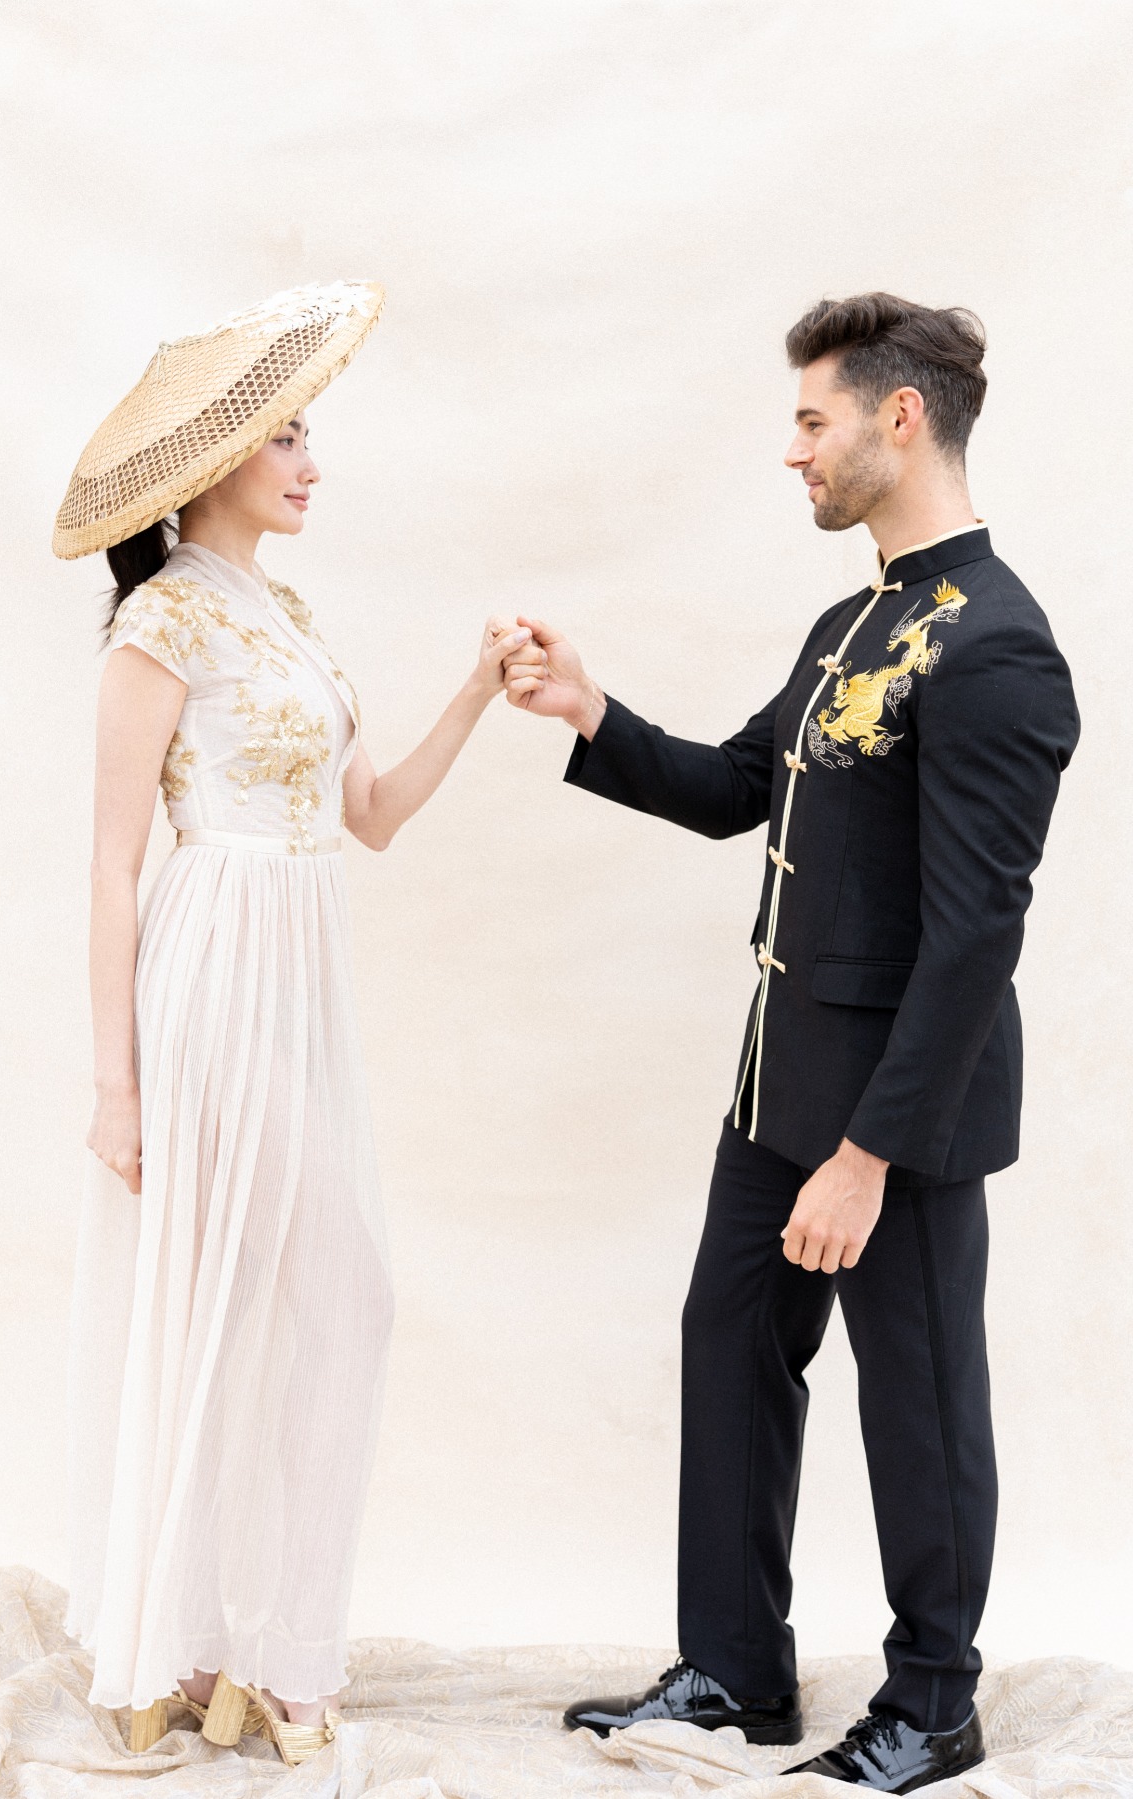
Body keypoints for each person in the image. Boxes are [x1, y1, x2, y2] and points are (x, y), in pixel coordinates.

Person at [501, 293, 1079, 1791]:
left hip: (901, 1116)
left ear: (900, 418)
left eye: (812, 420)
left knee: (921, 1395)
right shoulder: (854, 620)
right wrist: (591, 707)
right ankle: (740, 1671)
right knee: (731, 1346)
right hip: (780, 1088)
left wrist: (869, 1156)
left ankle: (933, 1703)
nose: (792, 453)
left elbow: (974, 937)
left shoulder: (1001, 648)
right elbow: (737, 784)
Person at [53, 283, 531, 1767]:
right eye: (286, 435)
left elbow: (371, 816)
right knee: (254, 1295)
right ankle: (209, 1646)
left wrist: (471, 689)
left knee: (311, 1301)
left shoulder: (293, 617)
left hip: (303, 967)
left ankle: (246, 1651)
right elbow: (116, 860)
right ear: (213, 466)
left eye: (311, 430)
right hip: (213, 972)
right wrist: (115, 1085)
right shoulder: (164, 617)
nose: (311, 459)